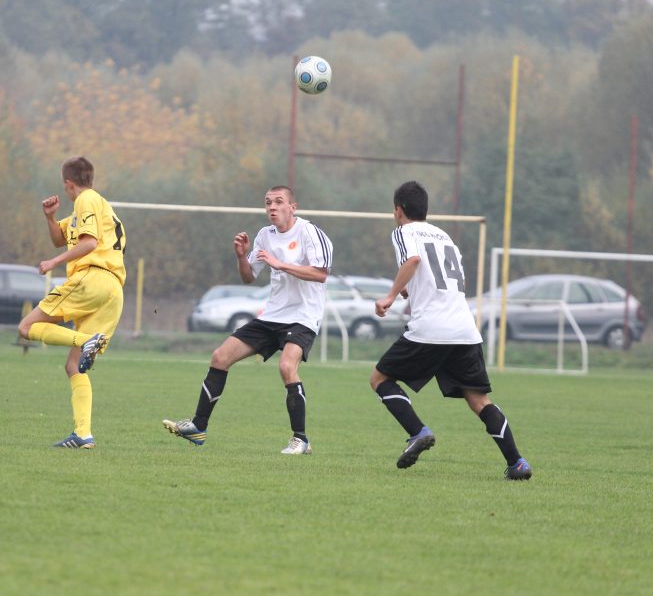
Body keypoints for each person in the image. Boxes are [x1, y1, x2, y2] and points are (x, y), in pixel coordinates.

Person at [369, 180, 532, 478]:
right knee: (479, 400)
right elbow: (456, 283)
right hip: (464, 328)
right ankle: (517, 463)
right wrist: (411, 289)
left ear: (398, 210)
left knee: (379, 378)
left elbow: (414, 259)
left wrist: (391, 295)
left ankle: (418, 432)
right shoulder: (445, 236)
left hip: (431, 328)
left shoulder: (403, 231)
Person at [162, 185, 333, 454]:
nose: (272, 207)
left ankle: (301, 439)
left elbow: (321, 274)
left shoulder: (309, 232)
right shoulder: (265, 235)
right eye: (268, 203)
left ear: (293, 207)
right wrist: (241, 256)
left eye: (278, 202)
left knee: (287, 367)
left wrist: (281, 264)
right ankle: (198, 427)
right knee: (220, 357)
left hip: (303, 316)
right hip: (272, 316)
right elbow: (248, 277)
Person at [17, 156, 126, 449]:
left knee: (27, 327)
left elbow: (88, 243)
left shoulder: (86, 200)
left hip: (92, 278)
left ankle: (86, 339)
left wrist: (53, 262)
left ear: (68, 184)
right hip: (113, 289)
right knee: (74, 366)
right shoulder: (97, 205)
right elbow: (61, 238)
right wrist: (50, 218)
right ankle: (83, 434)